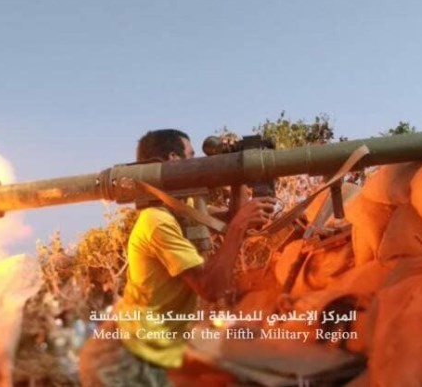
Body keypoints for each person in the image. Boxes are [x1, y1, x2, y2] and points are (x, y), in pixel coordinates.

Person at [78, 129, 277, 387]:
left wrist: (237, 176)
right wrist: (239, 224)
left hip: (156, 348)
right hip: (125, 360)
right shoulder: (156, 221)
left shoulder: (181, 209)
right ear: (173, 159)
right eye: (191, 156)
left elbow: (231, 219)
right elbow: (210, 288)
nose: (197, 162)